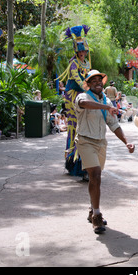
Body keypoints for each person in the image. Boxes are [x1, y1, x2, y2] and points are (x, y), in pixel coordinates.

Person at [74, 70, 135, 234]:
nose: (97, 82)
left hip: (101, 143)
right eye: (93, 80)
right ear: (88, 84)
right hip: (85, 141)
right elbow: (86, 105)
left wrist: (127, 142)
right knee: (95, 175)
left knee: (95, 180)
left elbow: (114, 125)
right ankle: (97, 216)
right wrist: (107, 107)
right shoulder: (82, 97)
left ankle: (92, 209)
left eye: (99, 80)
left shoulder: (107, 100)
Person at [58, 25, 92, 179]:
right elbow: (78, 79)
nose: (83, 53)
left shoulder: (87, 63)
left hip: (84, 94)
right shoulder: (74, 63)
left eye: (84, 50)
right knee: (75, 127)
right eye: (81, 51)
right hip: (73, 96)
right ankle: (75, 162)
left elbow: (89, 76)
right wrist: (87, 89)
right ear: (77, 51)